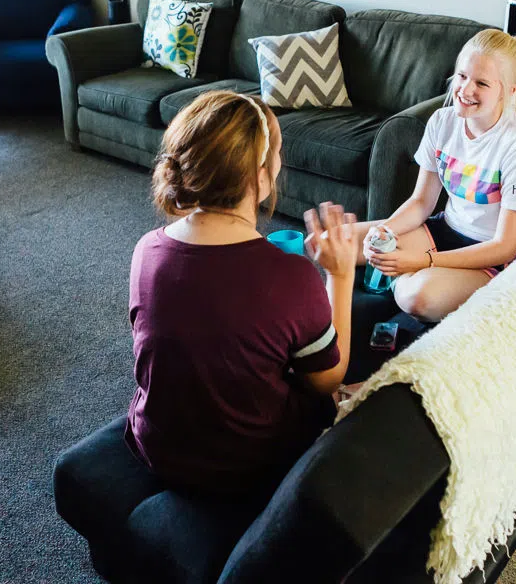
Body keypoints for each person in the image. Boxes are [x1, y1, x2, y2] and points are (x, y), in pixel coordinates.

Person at [126, 90, 358, 497]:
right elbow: (326, 379)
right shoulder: (291, 276)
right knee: (325, 390)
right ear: (260, 175)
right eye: (278, 153)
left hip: (157, 447)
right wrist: (340, 275)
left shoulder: (147, 249)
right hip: (248, 466)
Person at [346, 28, 516, 321]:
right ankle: (409, 275)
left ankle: (409, 280)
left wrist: (421, 261)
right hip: (447, 229)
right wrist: (386, 231)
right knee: (335, 242)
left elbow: (504, 247)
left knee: (416, 296)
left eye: (481, 83)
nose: (466, 90)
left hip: (502, 259)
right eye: (462, 76)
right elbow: (421, 202)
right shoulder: (442, 121)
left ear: (509, 91)